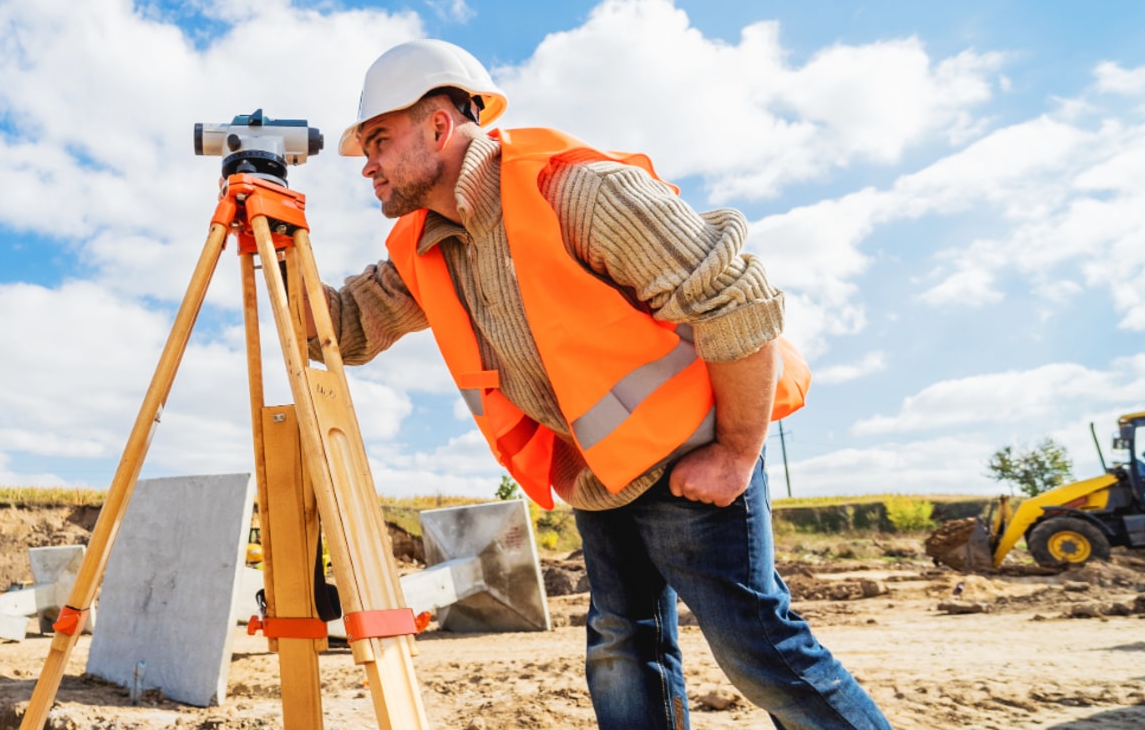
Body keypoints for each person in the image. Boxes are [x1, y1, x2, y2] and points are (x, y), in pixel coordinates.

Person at [315, 39, 891, 729]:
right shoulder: (426, 242)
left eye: (378, 140)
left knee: (757, 650)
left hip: (691, 454)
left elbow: (741, 297)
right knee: (622, 650)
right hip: (601, 470)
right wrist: (268, 230)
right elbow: (345, 329)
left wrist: (736, 453)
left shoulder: (575, 191)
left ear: (439, 125)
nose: (367, 165)